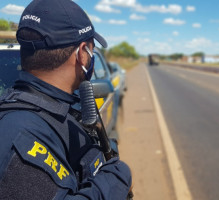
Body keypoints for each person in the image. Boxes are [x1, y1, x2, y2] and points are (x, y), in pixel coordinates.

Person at [0, 0, 132, 199]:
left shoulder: (63, 104)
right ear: (82, 54)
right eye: (92, 49)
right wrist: (115, 180)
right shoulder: (18, 136)